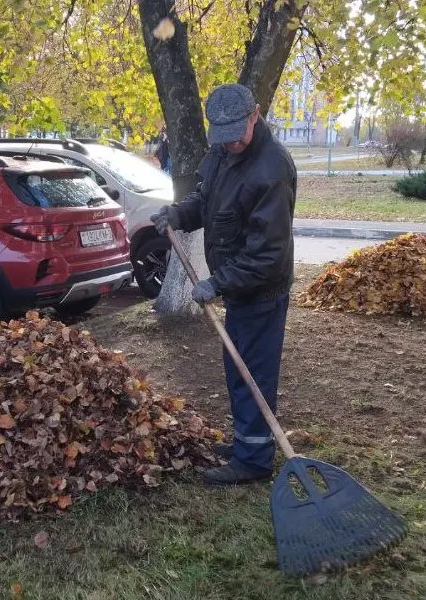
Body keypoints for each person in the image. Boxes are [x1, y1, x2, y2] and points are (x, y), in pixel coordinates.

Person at [151, 83, 296, 485]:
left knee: (253, 372)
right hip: (237, 286)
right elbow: (208, 203)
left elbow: (267, 254)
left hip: (261, 288)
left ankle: (253, 461)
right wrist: (178, 215)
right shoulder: (222, 153)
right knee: (238, 367)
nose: (230, 144)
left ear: (256, 113)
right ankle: (247, 443)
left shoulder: (272, 168)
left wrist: (217, 282)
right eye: (223, 136)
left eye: (237, 134)